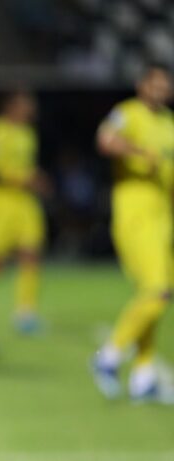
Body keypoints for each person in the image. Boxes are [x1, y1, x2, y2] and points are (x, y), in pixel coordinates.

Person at [92, 63, 174, 403]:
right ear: (142, 85)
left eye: (165, 85)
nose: (161, 90)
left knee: (153, 295)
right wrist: (139, 153)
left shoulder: (168, 123)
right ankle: (109, 357)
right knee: (157, 291)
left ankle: (143, 378)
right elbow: (105, 140)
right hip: (136, 218)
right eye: (155, 84)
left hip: (163, 219)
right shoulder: (127, 113)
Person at [0, 89, 48, 334]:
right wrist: (16, 178)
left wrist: (35, 179)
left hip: (24, 203)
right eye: (25, 105)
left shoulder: (28, 134)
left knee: (31, 253)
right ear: (11, 106)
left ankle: (25, 313)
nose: (29, 110)